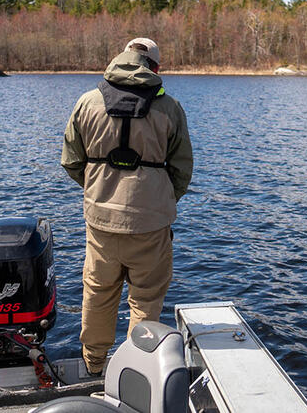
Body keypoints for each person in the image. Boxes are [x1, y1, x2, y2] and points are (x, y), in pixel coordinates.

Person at [61, 38, 193, 375]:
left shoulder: (86, 102)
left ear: (118, 59)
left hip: (101, 223)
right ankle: (137, 370)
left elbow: (71, 162)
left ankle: (93, 366)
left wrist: (99, 192)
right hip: (151, 226)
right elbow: (182, 171)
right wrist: (159, 200)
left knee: (98, 294)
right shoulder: (171, 108)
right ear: (156, 69)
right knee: (146, 300)